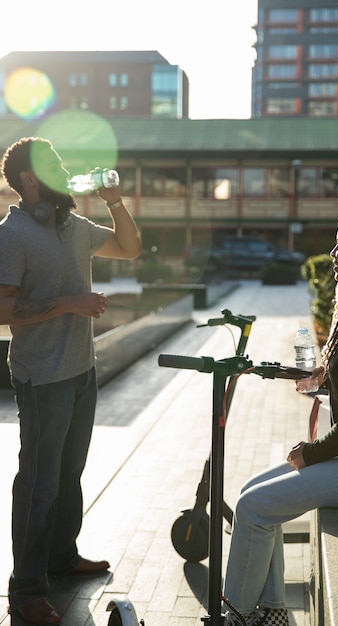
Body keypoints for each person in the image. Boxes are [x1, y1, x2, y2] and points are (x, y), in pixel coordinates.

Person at [222, 197, 338, 626]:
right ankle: (266, 614)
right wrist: (324, 379)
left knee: (254, 508)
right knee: (252, 493)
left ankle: (238, 616)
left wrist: (314, 451)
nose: (334, 253)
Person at [0, 137, 142, 625]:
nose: (63, 171)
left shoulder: (75, 225)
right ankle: (25, 592)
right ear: (27, 179)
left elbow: (129, 247)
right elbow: (0, 311)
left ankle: (62, 558)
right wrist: (68, 304)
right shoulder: (13, 234)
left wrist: (115, 200)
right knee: (38, 484)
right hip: (42, 379)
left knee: (67, 475)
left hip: (82, 371)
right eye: (52, 165)